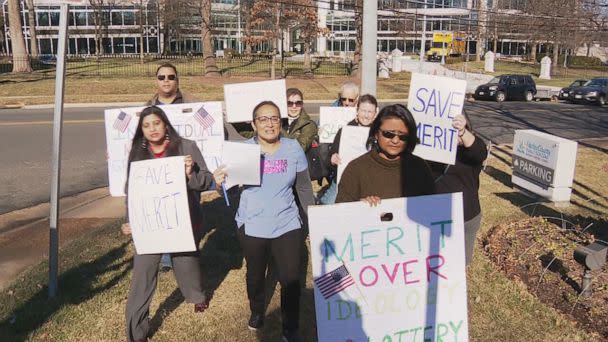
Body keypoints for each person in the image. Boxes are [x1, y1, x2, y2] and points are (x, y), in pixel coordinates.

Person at [213, 101, 314, 342]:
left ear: (281, 122)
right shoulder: (243, 151)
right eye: (263, 119)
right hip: (253, 226)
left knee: (290, 278)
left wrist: (312, 220)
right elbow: (230, 192)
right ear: (253, 124)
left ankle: (291, 328)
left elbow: (304, 189)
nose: (270, 124)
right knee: (256, 276)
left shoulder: (293, 149)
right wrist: (219, 184)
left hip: (287, 224)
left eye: (275, 118)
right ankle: (257, 310)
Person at [120, 106, 213, 342]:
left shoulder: (186, 146)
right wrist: (130, 220)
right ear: (141, 129)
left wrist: (190, 173)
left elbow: (207, 181)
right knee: (142, 274)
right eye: (146, 125)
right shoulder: (137, 151)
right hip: (149, 226)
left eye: (156, 123)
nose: (152, 129)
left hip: (182, 221)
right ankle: (136, 331)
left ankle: (196, 296)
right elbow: (131, 189)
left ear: (165, 124)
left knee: (186, 264)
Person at [336, 104, 435, 204]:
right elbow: (340, 212)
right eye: (389, 134)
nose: (395, 140)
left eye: (403, 136)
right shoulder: (356, 168)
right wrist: (359, 206)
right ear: (376, 133)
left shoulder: (420, 167)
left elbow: (433, 207)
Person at [429, 110, 487, 265]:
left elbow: (479, 152)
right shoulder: (432, 150)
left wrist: (462, 133)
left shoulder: (470, 151)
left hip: (466, 217)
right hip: (437, 218)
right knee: (436, 266)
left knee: (459, 268)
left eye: (457, 127)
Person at [319, 94, 378, 204]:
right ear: (357, 110)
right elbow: (329, 159)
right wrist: (332, 159)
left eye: (370, 112)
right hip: (344, 181)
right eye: (363, 111)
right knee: (327, 207)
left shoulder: (379, 134)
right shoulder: (345, 131)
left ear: (375, 113)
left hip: (371, 182)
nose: (366, 115)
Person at [285, 87, 318, 153]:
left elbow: (300, 148)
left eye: (298, 103)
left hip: (298, 162)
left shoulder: (309, 124)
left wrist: (277, 128)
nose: (294, 106)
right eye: (290, 103)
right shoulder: (276, 121)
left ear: (302, 104)